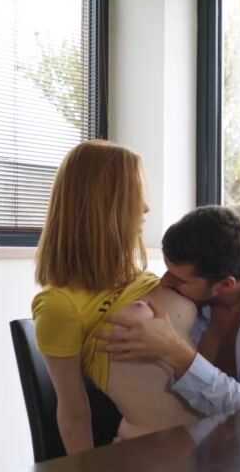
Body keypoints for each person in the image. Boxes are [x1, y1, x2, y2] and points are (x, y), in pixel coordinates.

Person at [32, 140, 200, 455]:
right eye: (134, 194)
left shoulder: (141, 276)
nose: (146, 207)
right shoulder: (59, 306)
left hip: (220, 443)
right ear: (104, 205)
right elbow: (73, 413)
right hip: (157, 455)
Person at [98, 206, 240, 416]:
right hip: (215, 428)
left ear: (225, 285)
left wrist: (174, 351)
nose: (164, 282)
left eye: (179, 280)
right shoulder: (188, 295)